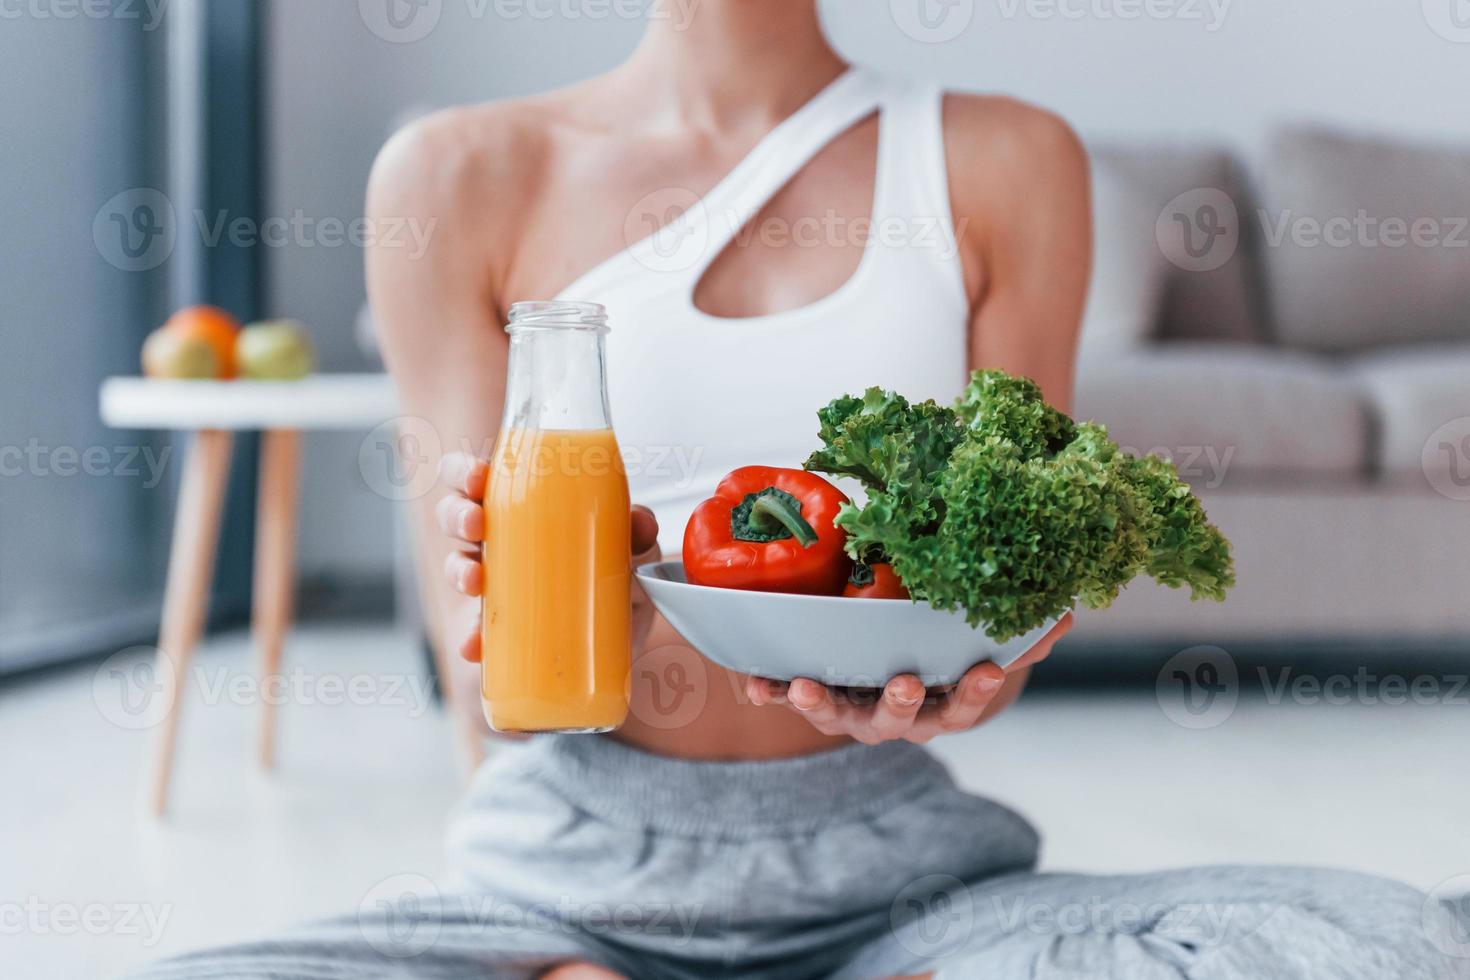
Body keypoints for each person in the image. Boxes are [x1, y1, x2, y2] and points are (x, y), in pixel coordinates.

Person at [131, 3, 1461, 979]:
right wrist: (552, 588)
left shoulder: (1006, 161)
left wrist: (987, 661)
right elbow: (496, 697)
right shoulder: (453, 174)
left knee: (1371, 945)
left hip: (894, 887)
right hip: (561, 886)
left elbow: (998, 613)